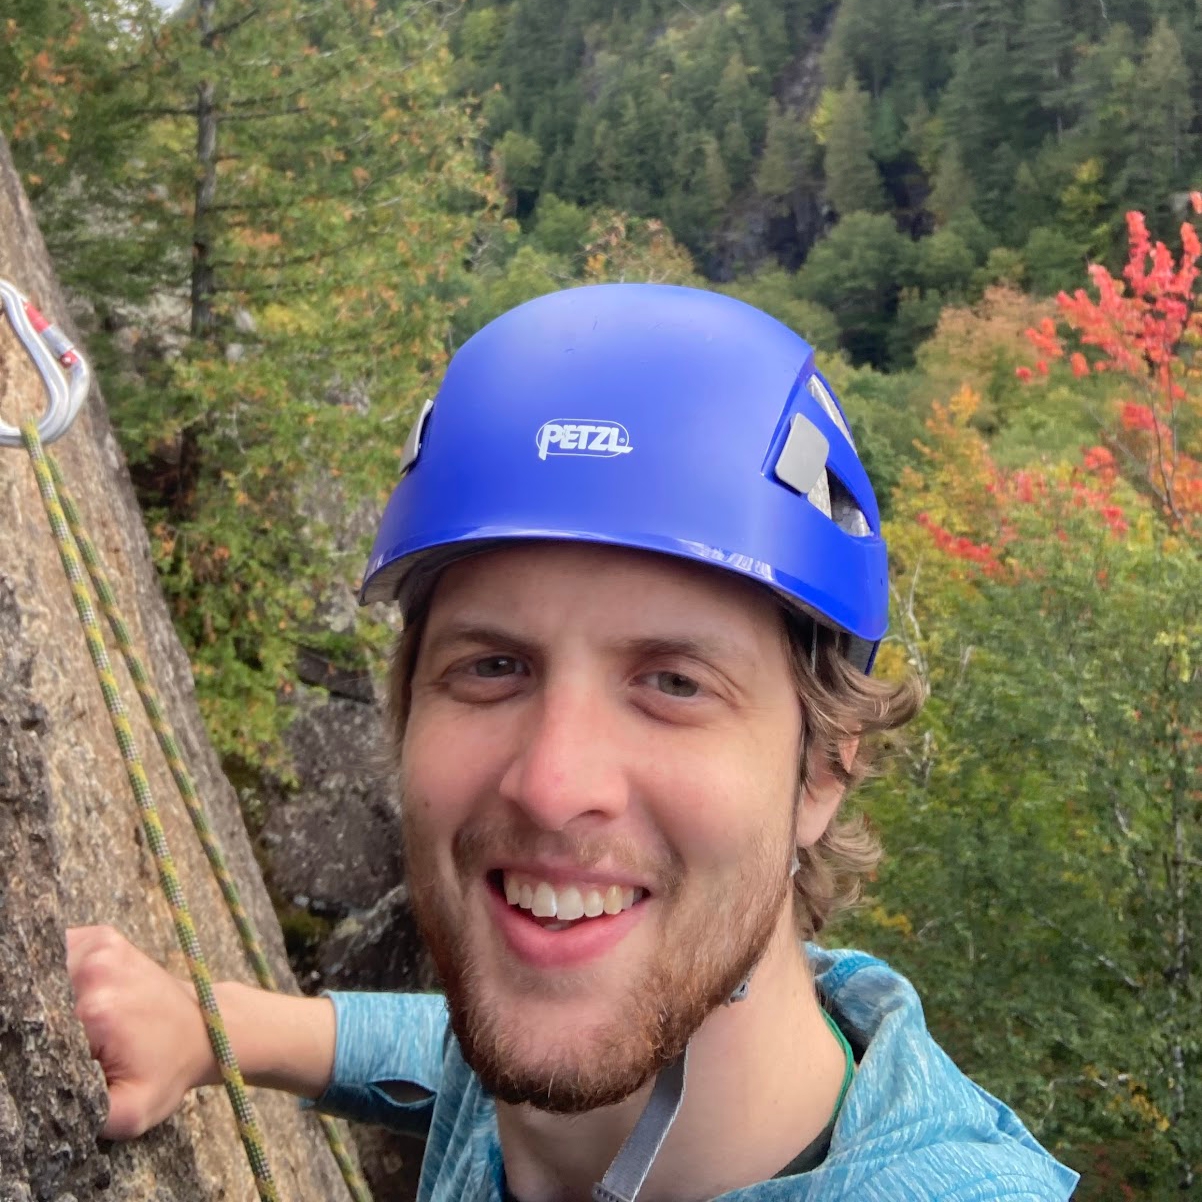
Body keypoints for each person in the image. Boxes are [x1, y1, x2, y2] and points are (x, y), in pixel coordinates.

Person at [67, 284, 1079, 1201]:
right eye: (491, 666)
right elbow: (450, 1053)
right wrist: (219, 1028)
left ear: (822, 768)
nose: (553, 783)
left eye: (673, 682)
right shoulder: (587, 1016)